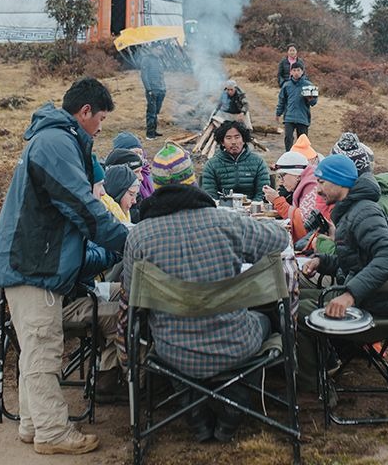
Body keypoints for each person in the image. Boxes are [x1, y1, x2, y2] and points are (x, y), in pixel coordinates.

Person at [0, 78, 128, 455]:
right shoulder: (56, 142)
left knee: (34, 347)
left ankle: (33, 424)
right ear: (85, 111)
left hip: (32, 260)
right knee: (44, 348)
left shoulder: (53, 138)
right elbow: (83, 207)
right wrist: (128, 241)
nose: (100, 128)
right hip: (33, 264)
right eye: (100, 119)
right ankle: (52, 432)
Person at [122, 182, 290, 442]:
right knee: (265, 320)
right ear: (193, 184)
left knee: (171, 329)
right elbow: (280, 239)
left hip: (172, 350)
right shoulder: (227, 222)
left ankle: (194, 410)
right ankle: (235, 401)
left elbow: (131, 292)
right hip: (236, 345)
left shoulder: (139, 236)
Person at [297, 155, 388, 391]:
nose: (318, 190)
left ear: (339, 181)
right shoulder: (352, 211)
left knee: (294, 311)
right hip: (370, 298)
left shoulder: (364, 212)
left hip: (377, 308)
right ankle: (328, 361)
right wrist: (321, 261)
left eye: (321, 182)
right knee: (294, 297)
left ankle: (315, 386)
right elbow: (356, 261)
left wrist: (350, 295)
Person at [200, 120, 271, 199]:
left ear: (243, 140)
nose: (233, 142)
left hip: (252, 205)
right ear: (222, 142)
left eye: (237, 137)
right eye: (228, 138)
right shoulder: (212, 164)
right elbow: (210, 194)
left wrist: (253, 204)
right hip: (222, 205)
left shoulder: (258, 162)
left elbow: (262, 192)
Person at [262, 150, 320, 244]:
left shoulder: (312, 187)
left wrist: (277, 200)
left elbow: (303, 225)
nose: (280, 182)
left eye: (282, 176)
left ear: (296, 174)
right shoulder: (305, 183)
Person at [276, 64, 319, 152]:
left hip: (303, 117)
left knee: (302, 140)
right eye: (294, 70)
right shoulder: (286, 85)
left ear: (302, 72)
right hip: (289, 117)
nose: (296, 73)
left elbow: (314, 103)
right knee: (288, 138)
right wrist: (278, 113)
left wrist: (310, 99)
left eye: (298, 70)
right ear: (291, 72)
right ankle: (288, 155)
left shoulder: (308, 85)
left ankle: (302, 156)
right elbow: (282, 100)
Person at [111, 131, 155, 201]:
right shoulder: (118, 179)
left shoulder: (145, 172)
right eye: (135, 153)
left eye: (140, 153)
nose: (139, 157)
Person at [139, 50, 166, 140]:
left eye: (161, 48)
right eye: (158, 48)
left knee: (156, 112)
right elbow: (144, 76)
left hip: (161, 89)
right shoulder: (146, 59)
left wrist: (164, 88)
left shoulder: (159, 59)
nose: (160, 50)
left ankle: (154, 130)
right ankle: (150, 134)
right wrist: (149, 89)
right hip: (152, 90)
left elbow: (161, 74)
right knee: (151, 112)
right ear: (153, 49)